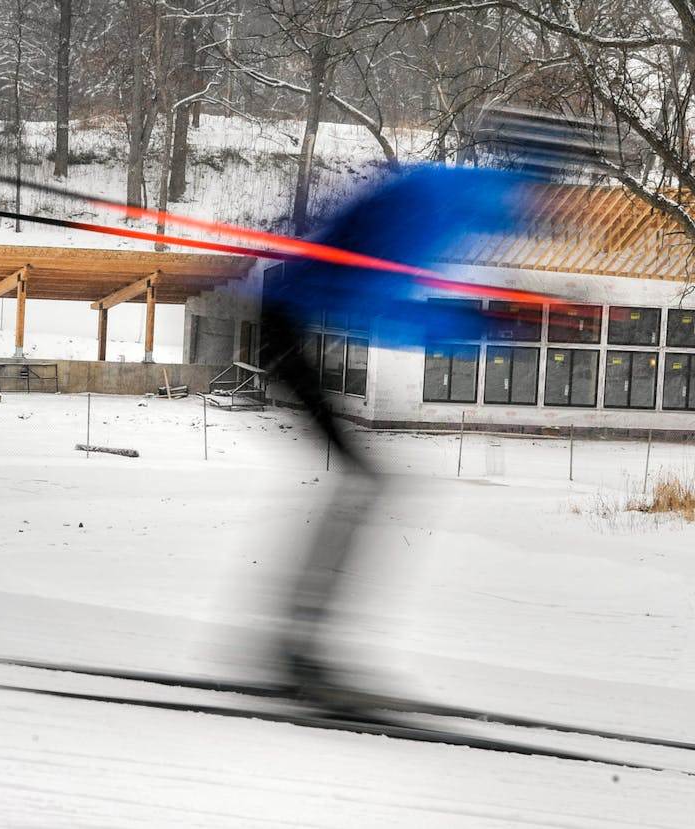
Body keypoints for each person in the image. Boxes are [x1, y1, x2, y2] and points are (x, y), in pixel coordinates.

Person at [256, 109, 615, 714]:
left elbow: (386, 296)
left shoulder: (457, 195)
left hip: (301, 320)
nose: (558, 211)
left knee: (365, 484)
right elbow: (382, 305)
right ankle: (299, 648)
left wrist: (500, 319)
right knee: (366, 483)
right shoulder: (445, 202)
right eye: (557, 191)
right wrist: (492, 321)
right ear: (536, 177)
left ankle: (300, 643)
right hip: (289, 324)